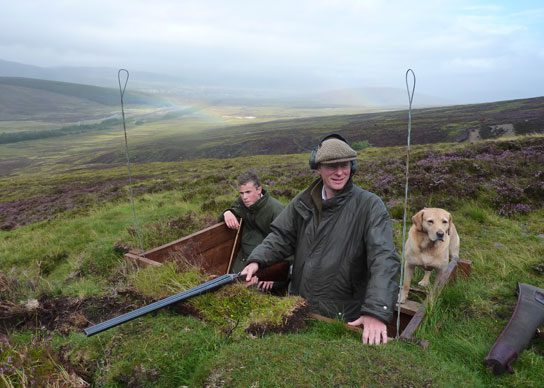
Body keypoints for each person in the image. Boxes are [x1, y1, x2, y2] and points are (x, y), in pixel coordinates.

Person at [240, 134, 400, 345]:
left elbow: (384, 257)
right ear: (318, 167)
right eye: (331, 166)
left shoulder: (370, 206)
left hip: (343, 313)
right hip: (300, 305)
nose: (340, 172)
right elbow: (282, 236)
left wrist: (377, 312)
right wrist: (256, 260)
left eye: (345, 165)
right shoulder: (303, 200)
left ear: (353, 166)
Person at [221, 170, 286, 291]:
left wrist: (274, 275)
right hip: (243, 258)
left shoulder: (276, 209)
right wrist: (227, 212)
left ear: (259, 190)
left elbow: (286, 242)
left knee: (252, 292)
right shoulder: (242, 203)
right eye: (241, 193)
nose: (244, 197)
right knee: (230, 288)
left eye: (248, 192)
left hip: (267, 263)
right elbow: (234, 209)